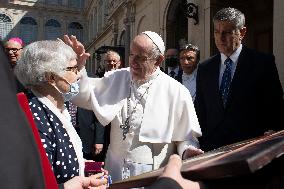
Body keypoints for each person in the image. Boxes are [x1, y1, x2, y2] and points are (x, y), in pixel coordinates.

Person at [71, 31, 203, 182]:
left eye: (140, 57)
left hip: (152, 174)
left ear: (158, 60)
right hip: (114, 169)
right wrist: (79, 68)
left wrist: (187, 151)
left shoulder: (176, 91)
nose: (133, 62)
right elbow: (84, 97)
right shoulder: (117, 77)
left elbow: (186, 137)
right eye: (132, 55)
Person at [194, 7, 284, 189]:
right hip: (213, 160)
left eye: (227, 32)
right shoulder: (205, 68)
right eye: (217, 32)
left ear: (242, 32)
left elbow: (275, 110)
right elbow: (200, 111)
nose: (220, 38)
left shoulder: (262, 63)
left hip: (250, 161)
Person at [13, 39, 108, 188]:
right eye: (73, 69)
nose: (78, 75)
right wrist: (80, 185)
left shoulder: (55, 108)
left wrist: (81, 164)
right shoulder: (35, 118)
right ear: (51, 77)